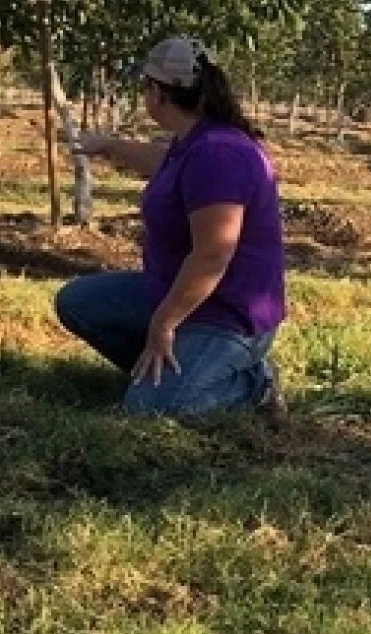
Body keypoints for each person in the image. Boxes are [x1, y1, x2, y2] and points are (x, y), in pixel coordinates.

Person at [60, 36, 287, 420]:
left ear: (158, 94)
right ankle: (169, 372)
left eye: (146, 86)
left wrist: (163, 324)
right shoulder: (197, 141)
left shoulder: (220, 155)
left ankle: (254, 384)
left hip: (227, 315)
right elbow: (165, 159)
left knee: (151, 411)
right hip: (182, 295)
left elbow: (213, 254)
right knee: (78, 302)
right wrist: (110, 146)